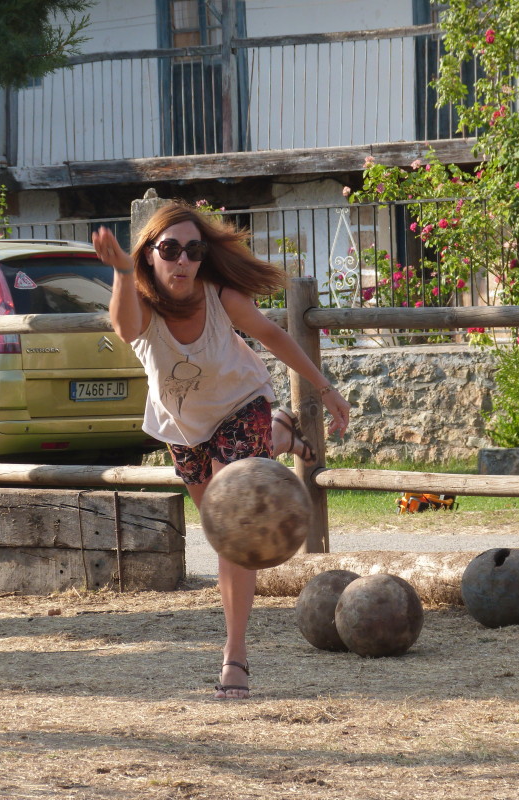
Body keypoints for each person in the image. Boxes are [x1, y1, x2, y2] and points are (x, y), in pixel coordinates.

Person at [92, 201, 350, 700]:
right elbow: (123, 328)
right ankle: (279, 434)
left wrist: (325, 388)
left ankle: (236, 655)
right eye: (170, 250)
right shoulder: (141, 304)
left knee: (236, 534)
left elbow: (273, 336)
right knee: (218, 529)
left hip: (239, 402)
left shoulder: (222, 298)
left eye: (193, 250)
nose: (183, 260)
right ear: (150, 256)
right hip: (181, 429)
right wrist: (122, 271)